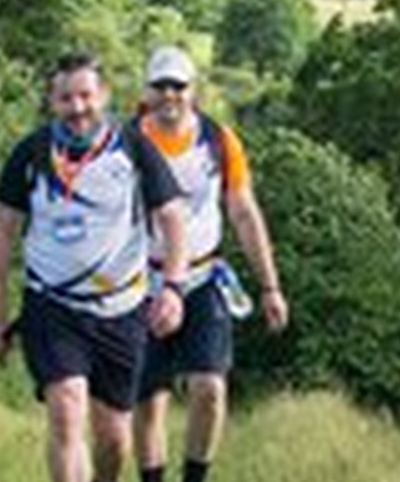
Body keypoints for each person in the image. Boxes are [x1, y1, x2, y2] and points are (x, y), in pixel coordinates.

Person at [0, 52, 189, 482]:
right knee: (66, 409)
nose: (77, 108)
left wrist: (172, 287)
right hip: (53, 307)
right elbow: (0, 233)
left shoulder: (133, 147)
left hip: (122, 311)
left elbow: (172, 218)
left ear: (104, 96)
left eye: (86, 96)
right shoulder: (31, 153)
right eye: (65, 98)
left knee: (114, 438)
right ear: (51, 101)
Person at [133, 46, 289, 482]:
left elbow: (243, 212)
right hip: (142, 281)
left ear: (193, 91)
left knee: (210, 389)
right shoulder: (126, 143)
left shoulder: (220, 141)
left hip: (203, 277)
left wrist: (270, 287)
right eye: (160, 85)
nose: (169, 95)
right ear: (146, 92)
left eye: (178, 86)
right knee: (149, 397)